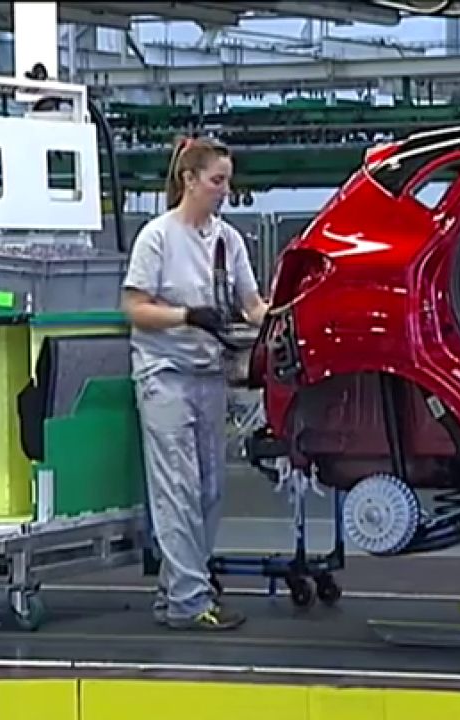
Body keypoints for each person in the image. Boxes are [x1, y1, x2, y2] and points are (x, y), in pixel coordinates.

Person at [121, 136, 269, 630]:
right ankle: (190, 600)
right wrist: (186, 316)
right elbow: (135, 308)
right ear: (189, 179)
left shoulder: (229, 240)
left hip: (209, 375)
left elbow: (252, 305)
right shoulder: (157, 237)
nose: (225, 190)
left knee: (209, 490)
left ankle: (175, 590)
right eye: (217, 180)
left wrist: (287, 315)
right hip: (164, 375)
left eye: (228, 181)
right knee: (177, 490)